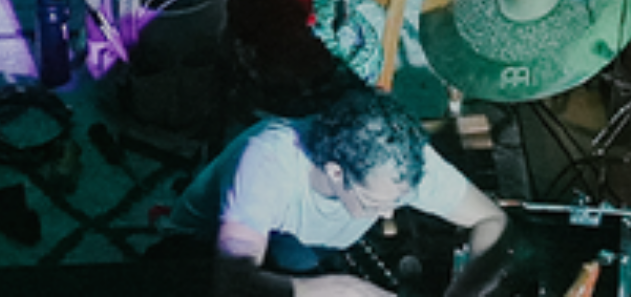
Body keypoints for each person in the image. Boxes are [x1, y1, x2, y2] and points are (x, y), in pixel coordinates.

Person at [160, 85, 508, 296]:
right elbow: (231, 283)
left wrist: (464, 290)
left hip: (303, 249)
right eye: (374, 202)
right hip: (200, 251)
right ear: (336, 172)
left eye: (398, 200)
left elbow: (492, 220)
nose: (389, 213)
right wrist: (337, 288)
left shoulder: (400, 157)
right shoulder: (266, 163)